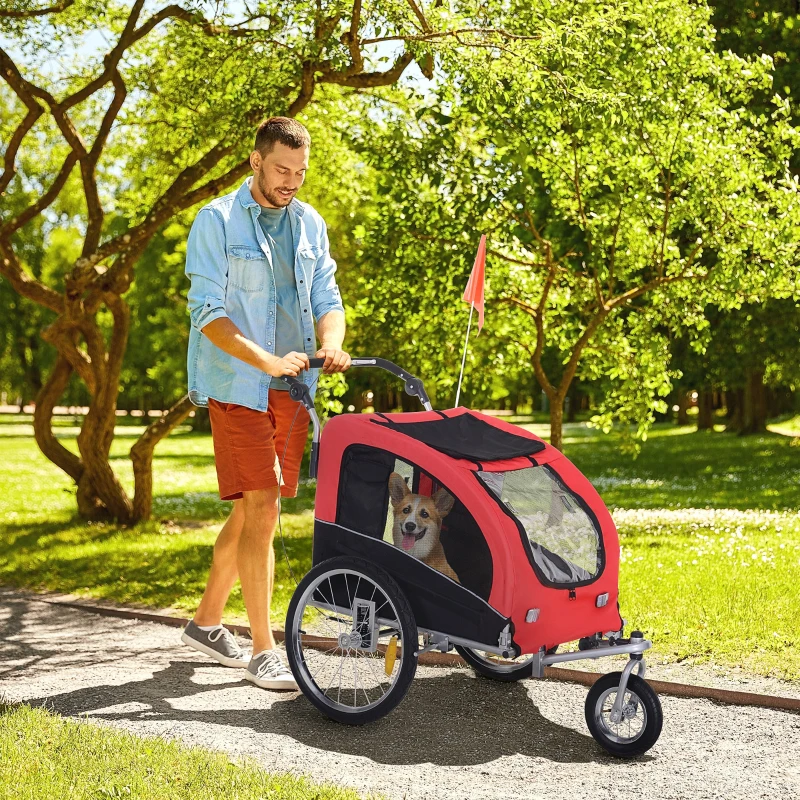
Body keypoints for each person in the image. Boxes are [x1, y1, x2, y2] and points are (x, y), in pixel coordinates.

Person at [181, 117, 350, 690]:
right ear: (255, 161)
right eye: (282, 170)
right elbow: (207, 313)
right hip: (239, 387)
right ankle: (262, 649)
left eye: (300, 173)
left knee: (255, 508)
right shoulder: (217, 221)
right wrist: (268, 361)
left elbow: (327, 295)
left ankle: (206, 623)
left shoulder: (308, 224)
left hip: (294, 391)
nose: (292, 182)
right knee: (265, 511)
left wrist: (331, 344)